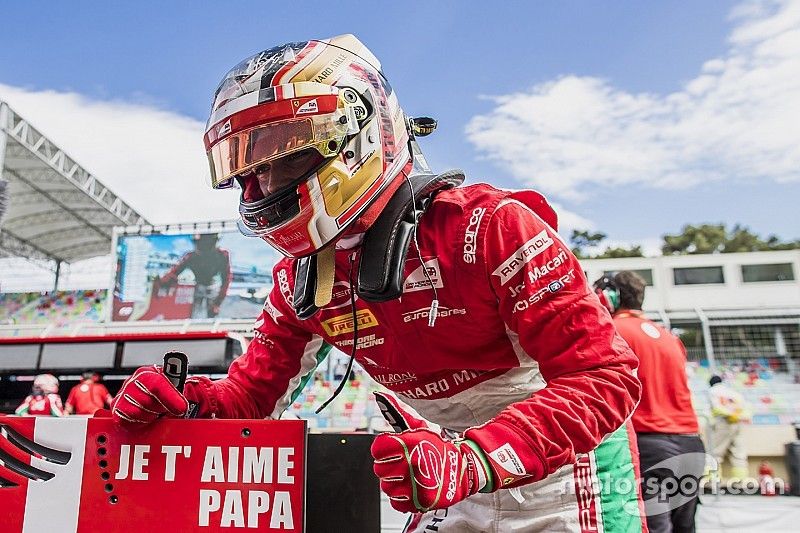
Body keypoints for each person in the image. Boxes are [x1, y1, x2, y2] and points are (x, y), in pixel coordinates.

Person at [112, 35, 646, 531]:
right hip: (441, 469)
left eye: (283, 152)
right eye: (246, 166)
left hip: (569, 473)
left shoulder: (490, 227)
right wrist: (188, 406)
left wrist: (478, 458)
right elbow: (252, 398)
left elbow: (605, 377)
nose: (261, 184)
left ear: (360, 133)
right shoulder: (302, 277)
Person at [595, 271, 705, 533]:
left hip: (650, 445)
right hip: (690, 443)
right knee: (685, 528)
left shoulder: (613, 330)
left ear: (611, 297)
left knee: (653, 527)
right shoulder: (668, 336)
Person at [158, 233, 231, 318]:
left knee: (212, 317)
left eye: (206, 243)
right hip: (199, 289)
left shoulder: (222, 255)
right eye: (200, 243)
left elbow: (226, 279)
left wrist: (218, 302)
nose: (203, 247)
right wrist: (164, 281)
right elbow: (174, 271)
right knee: (194, 316)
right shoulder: (190, 256)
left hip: (213, 290)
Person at [707, 374, 750, 480]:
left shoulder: (712, 391)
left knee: (715, 452)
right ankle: (742, 482)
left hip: (723, 422)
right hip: (737, 422)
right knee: (739, 453)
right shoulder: (732, 392)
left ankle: (713, 482)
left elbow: (716, 408)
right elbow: (743, 406)